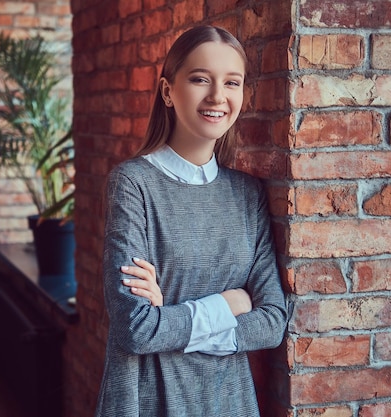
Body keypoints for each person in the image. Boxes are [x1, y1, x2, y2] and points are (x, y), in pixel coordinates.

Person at [96, 25, 287, 417]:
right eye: (200, 79)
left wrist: (169, 316)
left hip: (229, 400)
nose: (218, 97)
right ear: (168, 91)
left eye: (231, 83)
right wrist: (229, 303)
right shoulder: (134, 183)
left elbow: (270, 322)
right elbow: (135, 329)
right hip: (149, 396)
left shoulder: (248, 194)